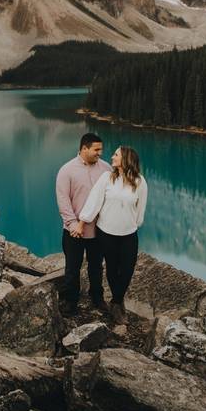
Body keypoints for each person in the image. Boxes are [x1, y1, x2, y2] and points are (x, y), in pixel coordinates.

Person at [76, 145, 147, 324]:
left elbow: (140, 210)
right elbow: (94, 201)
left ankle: (116, 300)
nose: (112, 157)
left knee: (128, 269)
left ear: (126, 159)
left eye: (116, 155)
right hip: (106, 232)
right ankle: (117, 306)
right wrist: (82, 222)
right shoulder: (106, 178)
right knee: (112, 268)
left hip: (129, 233)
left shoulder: (140, 182)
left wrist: (133, 224)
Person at [56, 133, 111, 316]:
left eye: (100, 149)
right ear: (84, 148)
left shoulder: (106, 169)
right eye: (96, 149)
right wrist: (72, 226)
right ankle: (71, 302)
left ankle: (97, 298)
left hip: (98, 231)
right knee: (72, 267)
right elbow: (63, 201)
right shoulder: (67, 170)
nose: (100, 153)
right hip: (74, 232)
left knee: (96, 266)